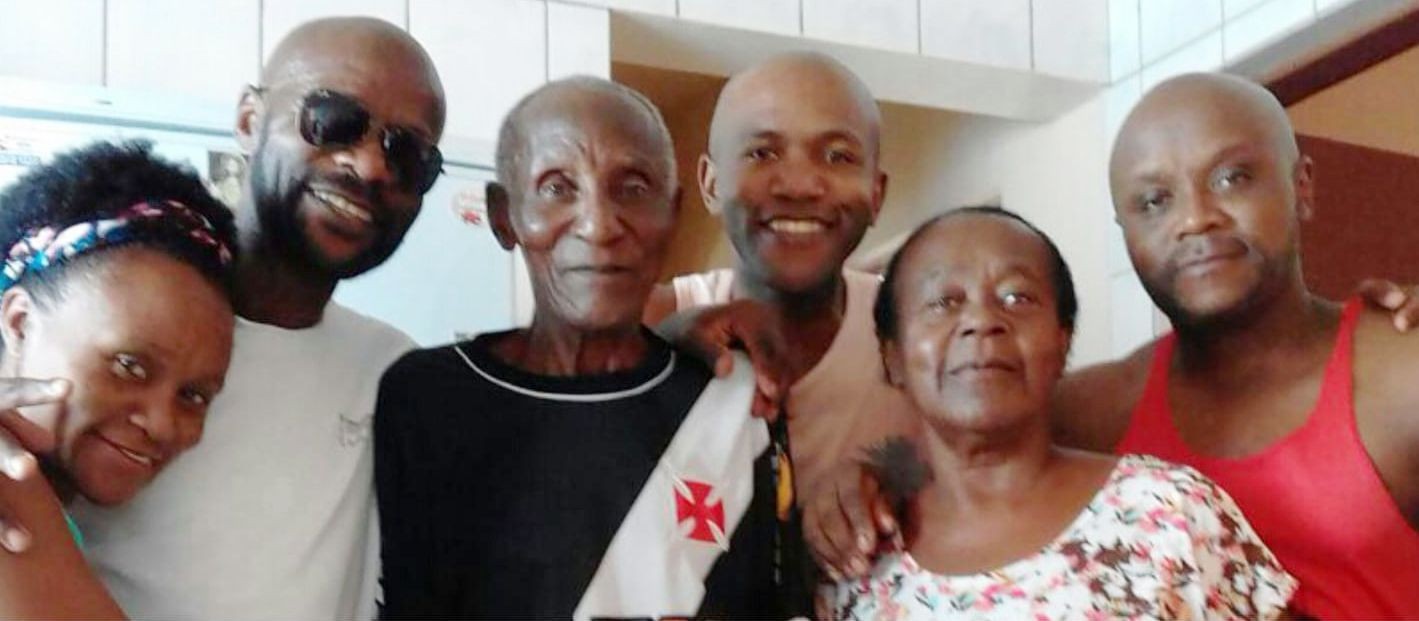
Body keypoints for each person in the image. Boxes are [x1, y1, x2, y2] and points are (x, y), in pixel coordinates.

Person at [817, 73, 1419, 620]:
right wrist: (860, 481)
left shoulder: (1400, 366)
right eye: (1154, 201)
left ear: (1301, 185)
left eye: (1231, 178)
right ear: (1124, 233)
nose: (1195, 219)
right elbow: (968, 445)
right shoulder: (1095, 409)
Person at [376, 76, 804, 619]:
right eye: (557, 188)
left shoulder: (732, 398)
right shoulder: (427, 400)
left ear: (672, 212)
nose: (600, 226)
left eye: (633, 188)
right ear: (504, 215)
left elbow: (779, 600)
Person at [62, 17, 446, 620]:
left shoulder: (394, 372)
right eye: (332, 120)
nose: (372, 166)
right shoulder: (106, 332)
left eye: (409, 154)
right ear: (249, 120)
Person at [828, 206, 1294, 619]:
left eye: (1017, 297)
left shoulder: (1167, 514)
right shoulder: (855, 563)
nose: (981, 321)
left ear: (1062, 340)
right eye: (943, 302)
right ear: (892, 356)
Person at [644, 52, 918, 501]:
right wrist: (663, 348)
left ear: (876, 193)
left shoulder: (916, 334)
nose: (798, 184)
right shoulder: (653, 320)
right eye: (762, 153)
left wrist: (896, 474)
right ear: (711, 184)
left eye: (838, 156)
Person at [0, 140, 238, 618]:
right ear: (20, 323)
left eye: (193, 395)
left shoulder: (45, 509)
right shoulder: (11, 502)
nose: (162, 424)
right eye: (129, 365)